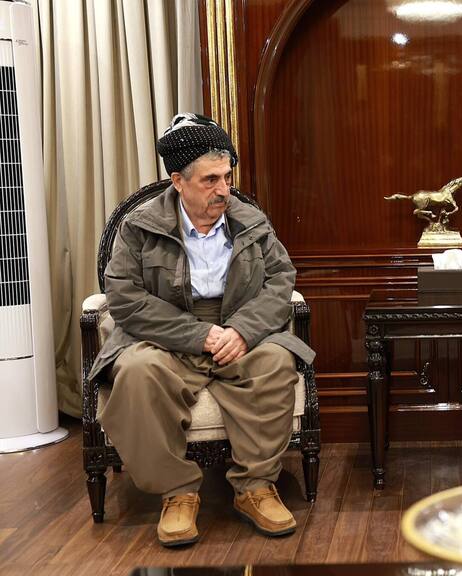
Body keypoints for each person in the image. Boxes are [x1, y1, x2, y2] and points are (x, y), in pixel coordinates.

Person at [88, 113, 315, 547]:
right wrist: (198, 336)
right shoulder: (139, 227)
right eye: (210, 180)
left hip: (237, 330)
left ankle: (254, 488)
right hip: (165, 335)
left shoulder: (250, 221)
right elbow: (125, 298)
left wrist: (243, 331)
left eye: (227, 177)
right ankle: (177, 493)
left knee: (275, 360)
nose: (223, 189)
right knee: (136, 371)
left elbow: (280, 280)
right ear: (178, 181)